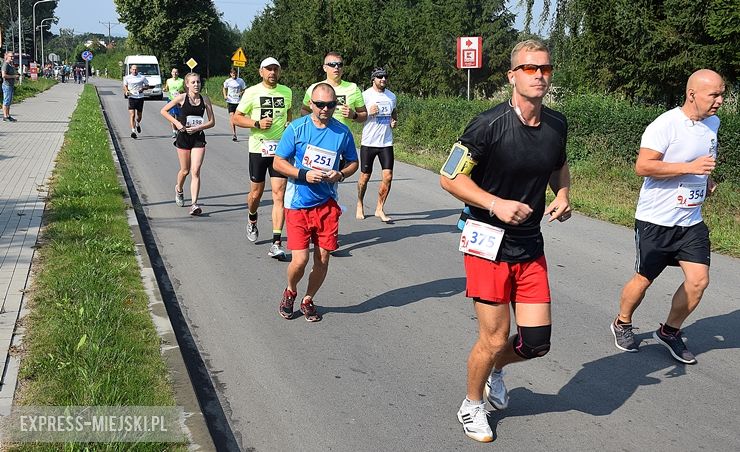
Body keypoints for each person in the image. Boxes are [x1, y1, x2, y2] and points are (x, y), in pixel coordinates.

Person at [439, 39, 571, 443]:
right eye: (529, 69)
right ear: (512, 75)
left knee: (536, 343)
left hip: (530, 246)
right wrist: (494, 203)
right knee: (495, 337)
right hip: (487, 240)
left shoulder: (556, 124)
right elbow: (449, 177)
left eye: (545, 69)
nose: (538, 76)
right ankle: (471, 405)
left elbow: (559, 166)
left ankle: (497, 368)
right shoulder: (487, 125)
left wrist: (563, 194)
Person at [610, 69, 725, 365]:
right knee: (644, 279)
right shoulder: (665, 125)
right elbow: (643, 166)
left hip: (690, 222)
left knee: (698, 281)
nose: (720, 101)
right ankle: (622, 322)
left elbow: (701, 162)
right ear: (692, 95)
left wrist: (706, 180)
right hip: (656, 220)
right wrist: (690, 168)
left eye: (722, 94)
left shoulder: (713, 123)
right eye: (714, 95)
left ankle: (669, 331)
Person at [273, 83, 359, 322]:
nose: (324, 109)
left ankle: (308, 299)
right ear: (311, 103)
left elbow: (353, 163)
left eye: (330, 105)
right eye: (320, 104)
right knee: (300, 260)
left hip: (327, 203)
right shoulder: (297, 129)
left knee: (323, 258)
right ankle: (290, 291)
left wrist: (340, 174)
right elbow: (278, 162)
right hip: (299, 202)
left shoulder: (342, 132)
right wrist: (303, 174)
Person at [233, 57, 292, 258]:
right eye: (268, 69)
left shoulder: (287, 92)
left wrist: (288, 128)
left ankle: (276, 242)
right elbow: (236, 117)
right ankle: (252, 218)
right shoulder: (251, 92)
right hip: (259, 149)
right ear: (261, 72)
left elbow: (289, 114)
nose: (272, 73)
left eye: (275, 69)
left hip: (280, 151)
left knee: (279, 195)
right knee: (256, 194)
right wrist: (256, 123)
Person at [159, 72, 215, 216]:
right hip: (183, 137)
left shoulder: (205, 99)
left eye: (198, 82)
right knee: (185, 171)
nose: (197, 85)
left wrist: (198, 128)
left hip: (198, 138)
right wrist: (177, 123)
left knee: (195, 171)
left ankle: (194, 204)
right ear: (187, 84)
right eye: (193, 82)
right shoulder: (182, 98)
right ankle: (179, 188)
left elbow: (211, 122)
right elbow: (164, 111)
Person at [356, 67, 398, 222]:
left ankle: (379, 208)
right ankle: (360, 203)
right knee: (364, 177)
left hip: (386, 142)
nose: (383, 79)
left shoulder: (391, 96)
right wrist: (368, 112)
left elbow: (394, 112)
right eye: (380, 77)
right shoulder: (365, 95)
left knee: (388, 176)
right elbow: (358, 117)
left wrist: (394, 121)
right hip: (369, 142)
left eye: (385, 76)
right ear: (373, 79)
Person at [300, 52, 367, 128]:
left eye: (340, 64)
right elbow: (304, 110)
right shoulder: (314, 88)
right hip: (318, 136)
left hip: (342, 137)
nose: (336, 67)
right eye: (332, 64)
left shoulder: (353, 88)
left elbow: (364, 115)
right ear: (324, 68)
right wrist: (313, 123)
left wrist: (354, 115)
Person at [123, 65, 150, 139]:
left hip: (140, 97)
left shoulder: (142, 77)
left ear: (137, 70)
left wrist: (143, 89)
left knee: (139, 116)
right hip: (131, 97)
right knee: (132, 115)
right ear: (130, 70)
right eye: (133, 69)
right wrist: (126, 91)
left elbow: (147, 86)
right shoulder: (127, 78)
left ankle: (137, 123)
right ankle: (133, 131)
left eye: (136, 69)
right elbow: (125, 86)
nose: (134, 71)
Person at [223, 68, 246, 141]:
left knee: (238, 118)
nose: (234, 75)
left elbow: (244, 89)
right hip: (230, 101)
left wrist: (241, 93)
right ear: (230, 74)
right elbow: (224, 88)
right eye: (233, 74)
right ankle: (234, 134)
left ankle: (238, 125)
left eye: (235, 74)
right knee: (232, 118)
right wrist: (225, 96)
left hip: (238, 102)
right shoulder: (228, 81)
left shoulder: (240, 81)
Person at [163, 68, 185, 138]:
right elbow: (167, 88)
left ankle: (178, 129)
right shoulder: (168, 80)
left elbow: (185, 90)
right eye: (173, 72)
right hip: (171, 100)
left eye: (176, 72)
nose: (174, 74)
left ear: (178, 73)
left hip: (179, 101)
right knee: (172, 116)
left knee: (178, 117)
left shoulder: (181, 81)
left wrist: (181, 92)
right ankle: (174, 132)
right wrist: (164, 89)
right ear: (171, 73)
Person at [2, 51, 19, 122]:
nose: (12, 58)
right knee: (6, 101)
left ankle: (8, 115)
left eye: (13, 56)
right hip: (7, 85)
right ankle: (5, 116)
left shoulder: (10, 65)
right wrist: (14, 76)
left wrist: (16, 76)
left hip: (11, 85)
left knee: (9, 101)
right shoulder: (5, 64)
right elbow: (4, 75)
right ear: (7, 56)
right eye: (11, 56)